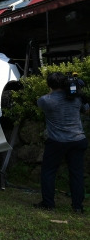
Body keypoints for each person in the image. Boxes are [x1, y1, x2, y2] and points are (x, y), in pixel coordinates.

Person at [35, 72, 88, 213]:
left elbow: (42, 104)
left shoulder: (45, 100)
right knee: (76, 174)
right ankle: (77, 207)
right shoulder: (76, 99)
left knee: (48, 172)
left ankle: (48, 203)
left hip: (57, 141)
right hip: (78, 139)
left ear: (49, 85)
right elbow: (86, 110)